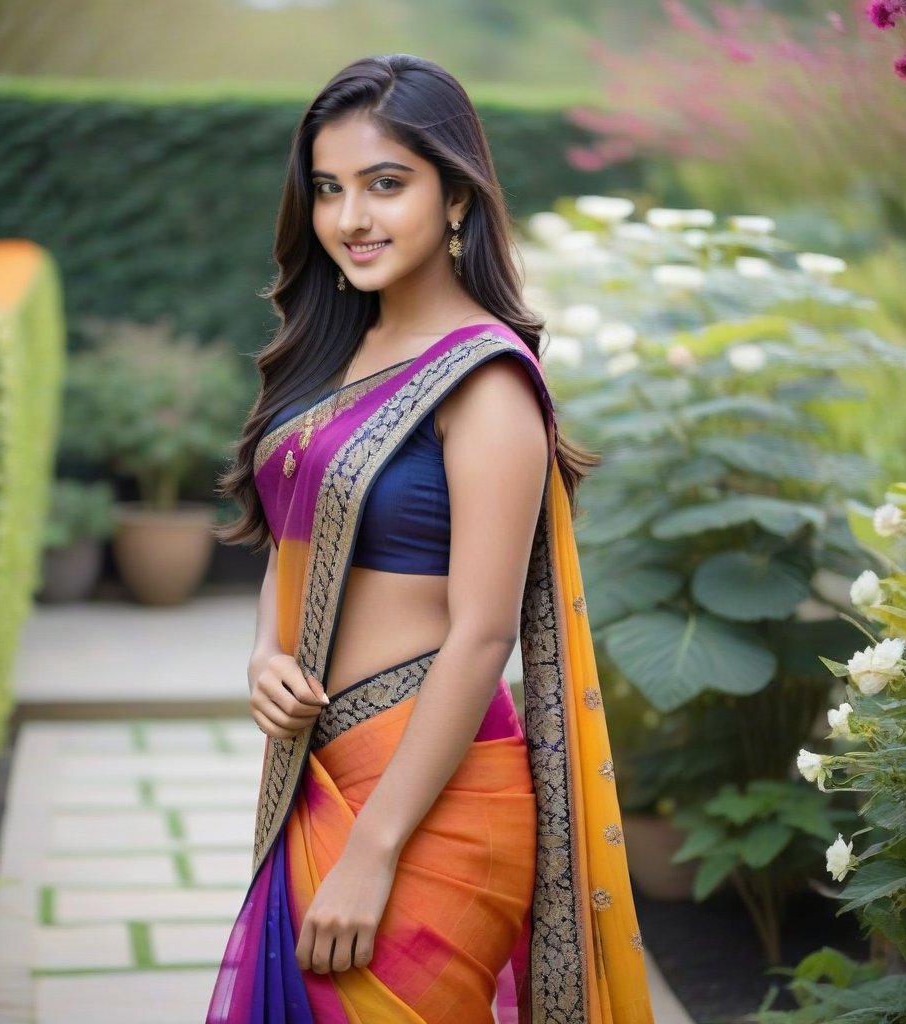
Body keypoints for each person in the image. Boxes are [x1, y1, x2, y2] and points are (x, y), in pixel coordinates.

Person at [206, 53, 654, 1024]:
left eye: (385, 185)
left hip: (429, 797)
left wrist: (374, 850)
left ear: (456, 198)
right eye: (328, 190)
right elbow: (296, 534)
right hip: (317, 764)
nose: (350, 218)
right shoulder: (333, 352)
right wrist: (264, 650)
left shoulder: (485, 382)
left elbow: (481, 632)